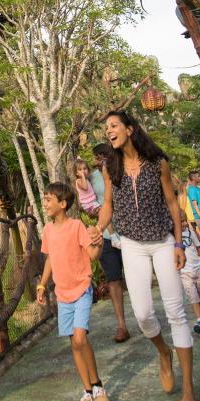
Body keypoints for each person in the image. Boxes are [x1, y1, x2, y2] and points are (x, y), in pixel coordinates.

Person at [95, 111, 198, 401]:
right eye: (106, 129)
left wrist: (179, 243)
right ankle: (163, 352)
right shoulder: (109, 168)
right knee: (142, 315)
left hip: (163, 242)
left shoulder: (158, 163)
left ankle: (189, 390)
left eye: (113, 126)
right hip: (132, 246)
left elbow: (171, 204)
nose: (108, 132)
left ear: (130, 129)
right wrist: (97, 228)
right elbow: (108, 206)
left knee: (176, 313)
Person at [37, 181, 110, 401]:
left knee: (80, 338)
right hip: (62, 294)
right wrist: (41, 284)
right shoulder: (48, 230)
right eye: (45, 198)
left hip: (81, 289)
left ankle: (98, 387)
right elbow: (49, 258)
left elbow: (92, 254)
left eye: (49, 199)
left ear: (63, 203)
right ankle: (87, 391)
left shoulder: (77, 225)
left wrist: (98, 245)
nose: (45, 203)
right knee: (74, 344)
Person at [91, 143, 130, 343]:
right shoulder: (91, 177)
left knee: (134, 276)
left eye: (103, 156)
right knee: (114, 279)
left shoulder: (124, 170)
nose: (99, 161)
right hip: (106, 235)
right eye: (97, 157)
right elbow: (87, 200)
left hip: (128, 233)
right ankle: (121, 325)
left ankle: (145, 318)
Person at [179, 210, 200, 337]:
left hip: (197, 268)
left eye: (184, 221)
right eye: (180, 222)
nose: (182, 224)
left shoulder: (190, 232)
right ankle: (199, 320)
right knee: (193, 296)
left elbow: (199, 247)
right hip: (184, 272)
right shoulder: (172, 237)